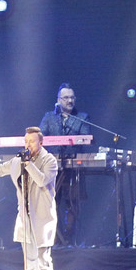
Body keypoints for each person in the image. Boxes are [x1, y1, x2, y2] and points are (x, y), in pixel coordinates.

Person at [0, 127, 58, 270]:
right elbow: (1, 169)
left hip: (43, 217)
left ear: (40, 143)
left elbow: (42, 180)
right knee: (30, 259)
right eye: (26, 141)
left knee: (43, 259)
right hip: (24, 217)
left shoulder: (49, 161)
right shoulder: (17, 161)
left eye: (32, 141)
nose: (28, 144)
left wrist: (28, 164)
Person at [38, 83, 91, 246]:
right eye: (66, 98)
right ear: (58, 100)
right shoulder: (49, 117)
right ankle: (53, 238)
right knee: (51, 202)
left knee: (72, 202)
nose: (70, 101)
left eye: (72, 97)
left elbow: (86, 138)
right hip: (52, 167)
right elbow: (40, 138)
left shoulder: (82, 117)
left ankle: (69, 238)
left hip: (73, 167)